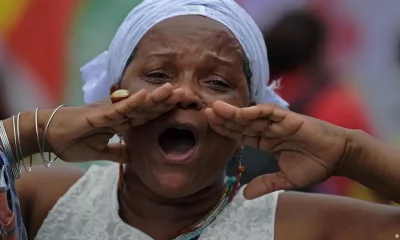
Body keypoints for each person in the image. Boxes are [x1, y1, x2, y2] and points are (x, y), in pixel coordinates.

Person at [0, 0, 398, 239]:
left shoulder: (297, 226)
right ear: (114, 97)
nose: (186, 94)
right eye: (158, 75)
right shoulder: (45, 200)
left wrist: (349, 151)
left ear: (250, 112)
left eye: (216, 81)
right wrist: (30, 133)